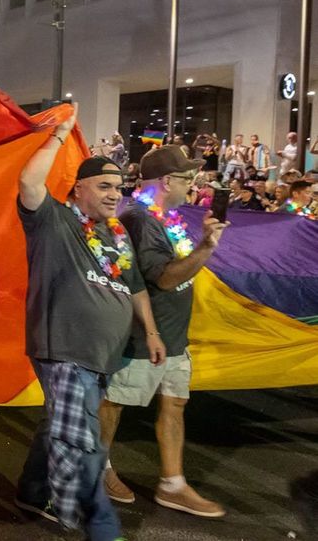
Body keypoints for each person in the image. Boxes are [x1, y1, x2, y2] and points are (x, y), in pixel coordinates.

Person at [14, 103, 165, 541]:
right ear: (78, 189)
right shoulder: (55, 221)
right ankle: (88, 520)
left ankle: (31, 491)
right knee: (81, 436)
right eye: (104, 185)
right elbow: (28, 181)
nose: (115, 193)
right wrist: (60, 133)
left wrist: (151, 332)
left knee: (59, 425)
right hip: (62, 346)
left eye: (119, 187)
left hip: (101, 355)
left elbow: (135, 288)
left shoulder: (115, 235)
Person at [99, 144, 228, 518]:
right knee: (114, 402)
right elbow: (166, 278)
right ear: (167, 180)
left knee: (174, 403)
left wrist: (202, 245)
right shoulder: (141, 219)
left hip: (172, 335)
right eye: (188, 177)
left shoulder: (165, 217)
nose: (194, 184)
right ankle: (99, 468)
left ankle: (173, 485)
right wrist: (206, 247)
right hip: (142, 334)